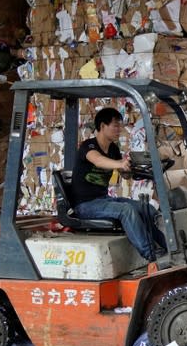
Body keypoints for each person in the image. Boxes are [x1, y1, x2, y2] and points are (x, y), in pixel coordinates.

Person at [71, 107, 167, 261]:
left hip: (103, 200)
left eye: (120, 126)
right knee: (126, 210)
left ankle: (169, 247)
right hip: (85, 205)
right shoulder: (88, 146)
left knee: (146, 208)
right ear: (102, 126)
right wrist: (119, 164)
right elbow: (98, 160)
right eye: (115, 125)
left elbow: (123, 172)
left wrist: (133, 168)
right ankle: (151, 254)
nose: (119, 130)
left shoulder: (113, 149)